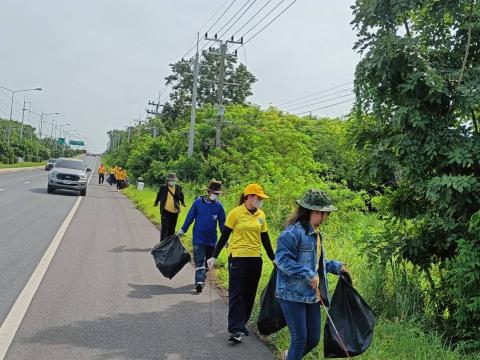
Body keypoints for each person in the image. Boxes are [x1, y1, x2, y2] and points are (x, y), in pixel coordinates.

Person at [275, 189, 348, 360]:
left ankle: (289, 357)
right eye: (325, 214)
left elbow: (316, 263)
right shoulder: (292, 233)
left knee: (313, 339)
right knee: (300, 339)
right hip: (292, 294)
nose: (326, 218)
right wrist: (307, 273)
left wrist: (336, 267)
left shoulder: (316, 233)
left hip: (311, 295)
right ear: (314, 212)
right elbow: (282, 261)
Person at [207, 183, 275, 344]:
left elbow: (265, 238)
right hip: (237, 257)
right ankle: (235, 328)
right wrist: (214, 257)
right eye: (258, 198)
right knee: (236, 293)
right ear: (249, 197)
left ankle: (241, 323)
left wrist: (273, 258)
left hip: (255, 259)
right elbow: (224, 236)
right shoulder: (235, 213)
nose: (260, 201)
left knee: (249, 294)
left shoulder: (261, 215)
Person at [177, 180, 226, 293]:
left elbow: (223, 224)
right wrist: (183, 230)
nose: (215, 195)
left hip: (211, 240)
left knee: (208, 261)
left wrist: (225, 238)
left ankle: (202, 277)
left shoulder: (219, 207)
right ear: (208, 192)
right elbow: (190, 217)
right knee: (199, 260)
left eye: (217, 194)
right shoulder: (198, 203)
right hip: (198, 237)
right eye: (214, 193)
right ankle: (199, 282)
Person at [153, 173, 186, 241]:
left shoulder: (178, 187)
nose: (172, 182)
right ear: (167, 181)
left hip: (175, 212)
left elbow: (181, 195)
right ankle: (162, 244)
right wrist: (156, 202)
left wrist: (182, 202)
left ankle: (169, 245)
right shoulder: (163, 187)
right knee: (165, 229)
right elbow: (159, 195)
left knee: (172, 229)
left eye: (173, 180)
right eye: (171, 180)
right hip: (165, 211)